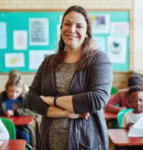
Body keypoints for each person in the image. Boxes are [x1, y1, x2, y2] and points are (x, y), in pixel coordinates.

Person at [27, 5, 112, 150]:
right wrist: (66, 113)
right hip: (48, 143)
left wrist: (53, 100)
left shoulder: (98, 59)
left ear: (86, 32)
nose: (72, 30)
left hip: (85, 143)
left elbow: (97, 99)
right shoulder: (49, 62)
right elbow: (31, 99)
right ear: (61, 29)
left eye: (79, 26)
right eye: (67, 24)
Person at [0, 75, 34, 145]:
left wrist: (16, 112)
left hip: (21, 127)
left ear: (21, 90)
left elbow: (34, 111)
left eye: (17, 91)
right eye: (11, 91)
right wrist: (3, 112)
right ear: (7, 88)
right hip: (2, 127)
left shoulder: (24, 99)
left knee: (25, 136)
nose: (14, 94)